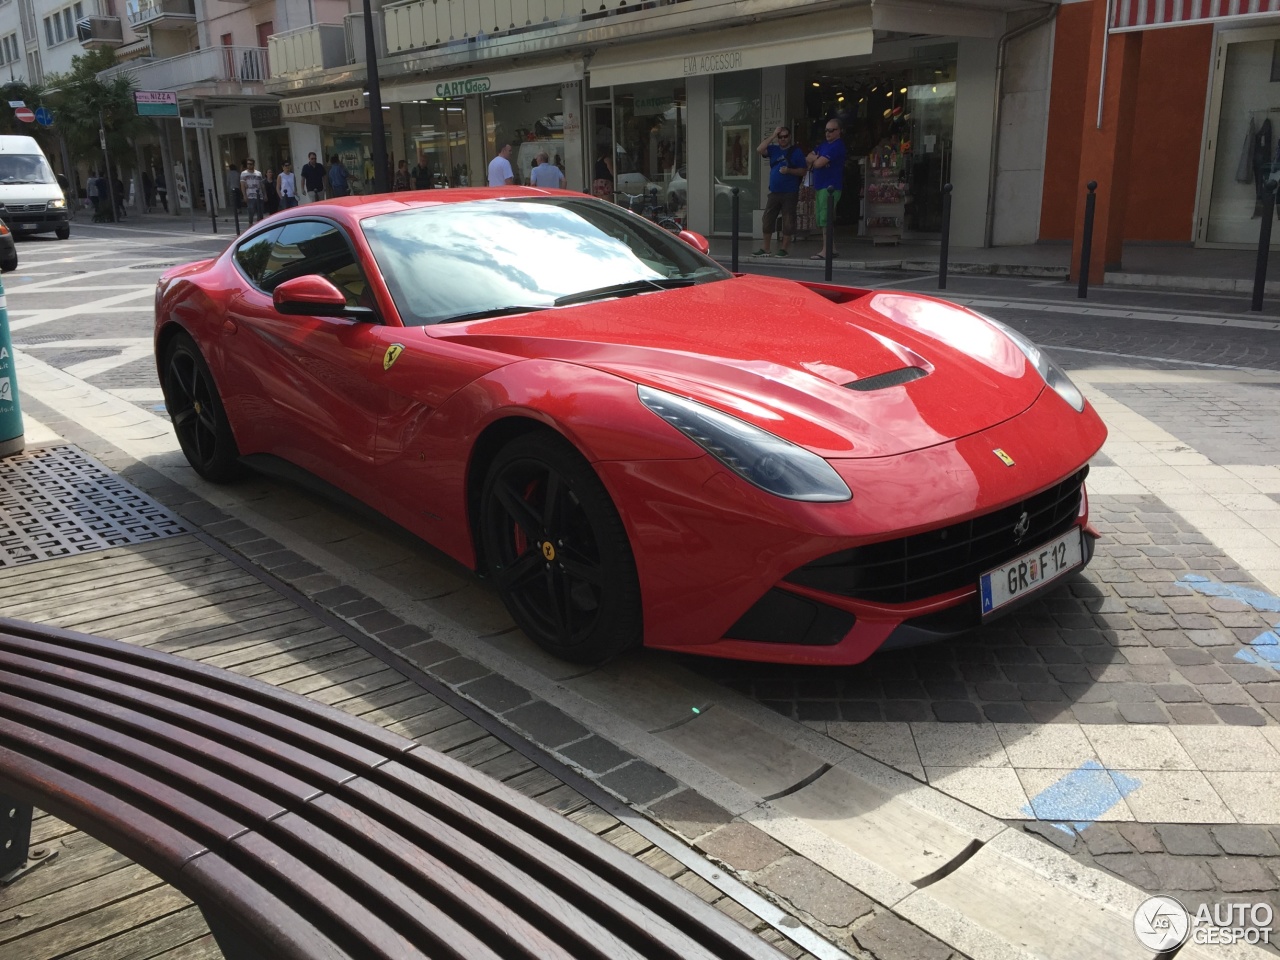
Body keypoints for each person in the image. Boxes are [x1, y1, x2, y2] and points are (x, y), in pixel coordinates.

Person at [755, 126, 805, 257]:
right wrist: (772, 135)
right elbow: (759, 149)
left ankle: (784, 248)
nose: (783, 139)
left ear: (790, 137)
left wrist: (789, 171)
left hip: (790, 192)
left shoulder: (796, 152)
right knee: (767, 218)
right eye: (780, 137)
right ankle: (766, 248)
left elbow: (803, 171)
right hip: (774, 192)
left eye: (785, 136)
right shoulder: (774, 149)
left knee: (788, 220)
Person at [807, 118, 846, 260]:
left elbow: (817, 163)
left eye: (832, 130)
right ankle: (832, 248)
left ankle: (826, 250)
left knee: (825, 218)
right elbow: (808, 157)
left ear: (839, 131)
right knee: (822, 217)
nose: (828, 133)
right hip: (820, 185)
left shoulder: (838, 146)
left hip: (830, 187)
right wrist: (816, 158)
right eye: (826, 130)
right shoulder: (823, 145)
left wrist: (816, 158)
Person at [240, 158, 266, 225]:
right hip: (250, 196)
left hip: (259, 195)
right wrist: (244, 195)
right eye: (248, 164)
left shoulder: (258, 173)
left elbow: (262, 184)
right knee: (251, 212)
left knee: (260, 213)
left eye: (250, 164)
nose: (249, 165)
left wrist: (265, 194)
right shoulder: (243, 174)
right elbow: (242, 185)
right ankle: (250, 224)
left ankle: (259, 225)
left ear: (253, 165)